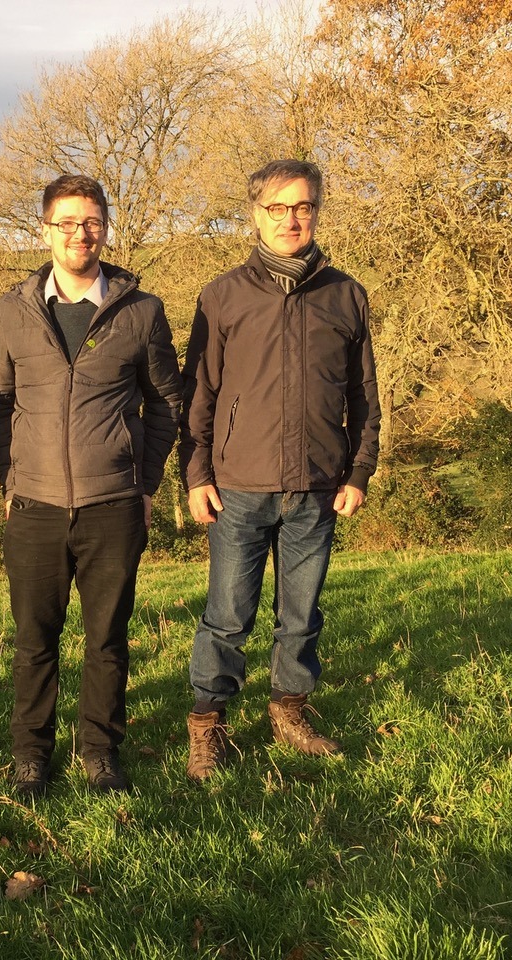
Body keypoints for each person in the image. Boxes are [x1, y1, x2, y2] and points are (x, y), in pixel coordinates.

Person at [179, 159, 381, 781]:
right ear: (255, 215)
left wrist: (357, 472)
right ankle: (208, 725)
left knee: (302, 613)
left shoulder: (346, 294)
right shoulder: (222, 296)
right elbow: (199, 395)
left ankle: (289, 709)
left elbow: (364, 395)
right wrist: (195, 476)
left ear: (316, 211)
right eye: (278, 208)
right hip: (238, 485)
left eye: (303, 207)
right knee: (228, 613)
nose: (291, 219)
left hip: (320, 485)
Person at [0, 174, 183, 797]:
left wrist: (144, 482)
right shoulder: (12, 310)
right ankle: (31, 757)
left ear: (105, 227)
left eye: (91, 221)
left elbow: (166, 403)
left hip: (113, 506)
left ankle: (99, 751)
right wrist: (11, 480)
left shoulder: (139, 311)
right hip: (35, 506)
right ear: (44, 229)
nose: (79, 234)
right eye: (66, 222)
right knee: (33, 641)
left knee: (108, 639)